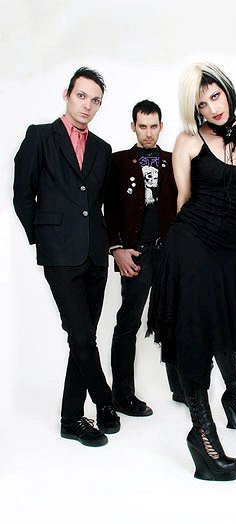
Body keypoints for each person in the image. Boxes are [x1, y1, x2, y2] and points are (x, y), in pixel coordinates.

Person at [149, 62, 236, 481]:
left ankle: (234, 401)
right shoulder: (188, 141)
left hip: (231, 250)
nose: (212, 108)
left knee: (228, 322)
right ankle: (202, 435)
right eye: (202, 104)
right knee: (197, 334)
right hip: (193, 245)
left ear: (228, 91)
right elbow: (182, 200)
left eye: (215, 96)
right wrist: (172, 258)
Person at [13, 67, 120, 447]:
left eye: (95, 100)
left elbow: (102, 203)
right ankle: (104, 400)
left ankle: (71, 418)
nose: (87, 105)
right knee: (80, 334)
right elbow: (22, 195)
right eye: (81, 96)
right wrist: (43, 238)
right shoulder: (40, 137)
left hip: (95, 254)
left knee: (84, 337)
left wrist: (111, 244)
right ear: (67, 94)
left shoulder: (103, 149)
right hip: (59, 255)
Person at [104, 99, 184, 417]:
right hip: (136, 253)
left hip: (169, 252)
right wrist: (117, 249)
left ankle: (181, 388)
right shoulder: (118, 161)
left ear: (161, 126)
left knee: (175, 318)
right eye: (142, 126)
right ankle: (122, 395)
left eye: (153, 126)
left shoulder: (173, 160)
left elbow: (185, 204)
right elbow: (109, 209)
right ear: (133, 126)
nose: (148, 133)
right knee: (129, 321)